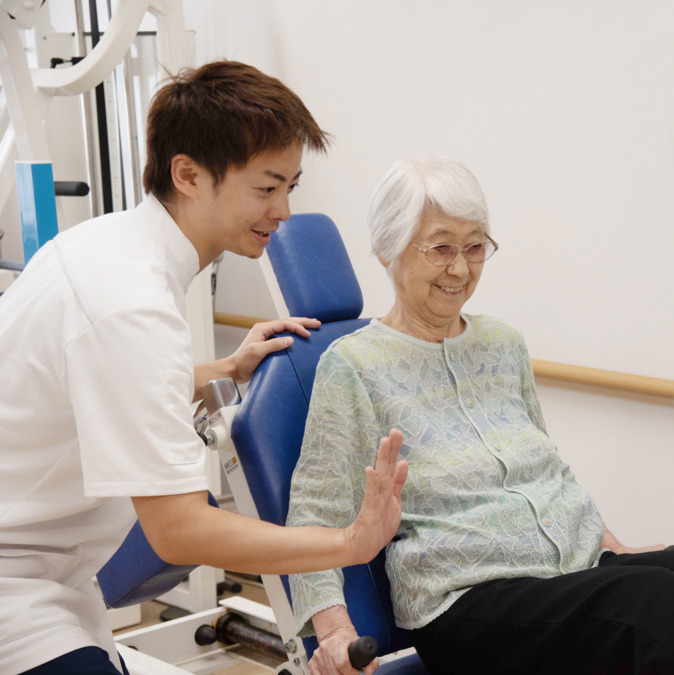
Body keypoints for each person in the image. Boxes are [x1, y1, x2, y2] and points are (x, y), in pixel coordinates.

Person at [286, 153, 674, 675]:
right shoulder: (353, 365)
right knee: (647, 600)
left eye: (475, 247)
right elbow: (316, 509)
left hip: (572, 572)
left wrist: (610, 542)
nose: (460, 268)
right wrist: (331, 631)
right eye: (440, 248)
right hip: (469, 604)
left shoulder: (502, 343)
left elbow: (545, 468)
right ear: (389, 251)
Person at [0, 61, 407, 675]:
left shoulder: (105, 244)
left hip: (52, 566)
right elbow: (179, 531)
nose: (284, 211)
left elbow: (99, 386)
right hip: (14, 577)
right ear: (188, 174)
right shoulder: (130, 303)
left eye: (291, 187)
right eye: (267, 188)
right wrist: (349, 543)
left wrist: (226, 366)